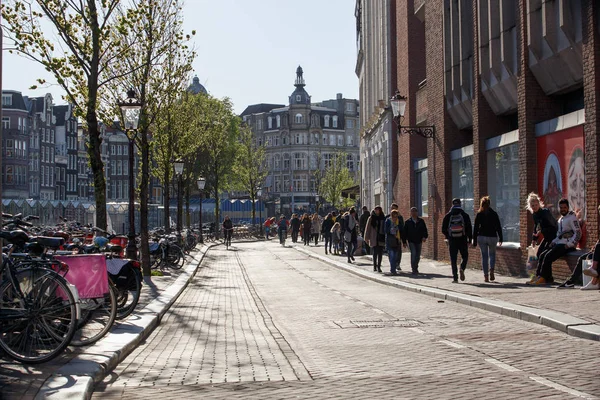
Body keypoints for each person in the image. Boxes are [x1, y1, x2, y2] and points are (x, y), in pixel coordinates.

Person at [529, 198, 581, 285]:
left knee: (548, 256)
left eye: (564, 207)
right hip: (559, 243)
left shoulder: (572, 218)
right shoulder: (561, 219)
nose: (562, 209)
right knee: (542, 255)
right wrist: (554, 241)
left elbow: (578, 232)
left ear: (568, 207)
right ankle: (541, 276)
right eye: (561, 208)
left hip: (566, 245)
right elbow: (559, 235)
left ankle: (544, 277)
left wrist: (570, 244)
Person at [526, 192, 558, 283]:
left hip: (553, 236)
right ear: (530, 206)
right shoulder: (535, 215)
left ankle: (543, 276)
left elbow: (553, 226)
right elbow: (536, 227)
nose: (535, 207)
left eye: (536, 205)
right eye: (532, 205)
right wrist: (534, 239)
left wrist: (542, 231)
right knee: (539, 253)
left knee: (544, 255)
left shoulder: (545, 212)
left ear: (539, 204)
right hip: (547, 236)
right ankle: (542, 276)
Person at [441, 198, 473, 283]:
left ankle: (455, 278)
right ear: (460, 204)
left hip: (452, 240)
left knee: (453, 259)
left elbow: (443, 229)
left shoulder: (448, 215)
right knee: (465, 256)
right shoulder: (464, 215)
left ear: (452, 204)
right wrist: (470, 239)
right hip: (462, 239)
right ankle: (462, 268)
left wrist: (448, 236)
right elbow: (469, 228)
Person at [472, 196, 503, 282]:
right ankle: (492, 269)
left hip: (482, 237)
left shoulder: (479, 214)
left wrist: (474, 240)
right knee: (492, 254)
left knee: (484, 256)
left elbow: (476, 228)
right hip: (492, 237)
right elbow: (498, 226)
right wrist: (501, 238)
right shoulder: (494, 214)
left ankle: (486, 276)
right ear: (489, 204)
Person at [403, 207, 428, 275]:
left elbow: (424, 230)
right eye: (412, 211)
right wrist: (404, 242)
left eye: (415, 211)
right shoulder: (408, 222)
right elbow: (404, 233)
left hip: (419, 240)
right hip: (411, 240)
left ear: (417, 212)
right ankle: (414, 268)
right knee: (413, 253)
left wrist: (424, 237)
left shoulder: (421, 221)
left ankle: (416, 266)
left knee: (418, 255)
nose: (413, 213)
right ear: (410, 213)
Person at [365, 206, 386, 272]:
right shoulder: (371, 218)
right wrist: (366, 237)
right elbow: (367, 228)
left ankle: (379, 267)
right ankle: (374, 266)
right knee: (375, 252)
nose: (377, 211)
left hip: (381, 237)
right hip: (374, 237)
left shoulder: (383, 217)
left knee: (380, 252)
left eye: (378, 210)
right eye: (375, 210)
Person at [385, 210, 403, 275]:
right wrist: (392, 229)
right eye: (394, 216)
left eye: (396, 216)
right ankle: (393, 270)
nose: (395, 218)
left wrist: (397, 227)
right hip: (390, 241)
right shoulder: (388, 221)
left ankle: (393, 268)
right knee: (392, 255)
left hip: (397, 241)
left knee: (395, 256)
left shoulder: (398, 222)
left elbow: (401, 229)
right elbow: (386, 231)